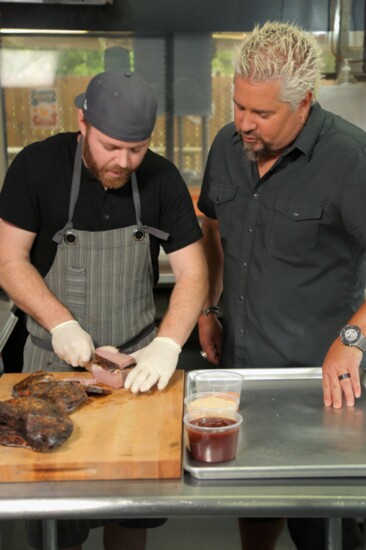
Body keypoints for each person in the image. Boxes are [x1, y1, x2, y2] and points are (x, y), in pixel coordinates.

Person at [0, 70, 207, 549]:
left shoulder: (162, 177)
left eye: (136, 150)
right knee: (58, 522)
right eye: (112, 146)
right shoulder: (36, 167)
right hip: (51, 369)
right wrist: (61, 323)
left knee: (131, 513)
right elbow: (9, 262)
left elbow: (194, 273)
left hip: (136, 372)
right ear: (83, 123)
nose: (123, 161)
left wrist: (168, 344)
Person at [197, 20, 365, 550]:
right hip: (246, 368)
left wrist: (354, 338)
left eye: (262, 113)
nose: (244, 124)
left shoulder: (350, 158)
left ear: (304, 103)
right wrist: (208, 306)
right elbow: (212, 224)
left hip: (323, 382)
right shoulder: (228, 145)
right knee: (254, 499)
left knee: (321, 527)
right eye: (238, 105)